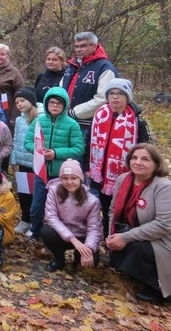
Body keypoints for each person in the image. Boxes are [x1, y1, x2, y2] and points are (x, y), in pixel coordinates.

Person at [107, 143, 171, 303]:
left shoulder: (164, 186)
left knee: (137, 249)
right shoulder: (123, 179)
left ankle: (161, 290)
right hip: (134, 232)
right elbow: (113, 210)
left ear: (156, 164)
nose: (138, 162)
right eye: (134, 158)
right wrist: (112, 236)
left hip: (161, 239)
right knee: (120, 254)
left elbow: (164, 224)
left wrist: (125, 237)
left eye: (145, 159)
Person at [88, 78, 151, 237]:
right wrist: (86, 167)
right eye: (112, 93)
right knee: (105, 209)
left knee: (122, 212)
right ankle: (108, 242)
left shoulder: (137, 122)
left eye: (120, 94)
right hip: (100, 174)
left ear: (127, 97)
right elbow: (88, 142)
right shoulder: (98, 117)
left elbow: (146, 150)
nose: (115, 97)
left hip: (126, 176)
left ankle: (122, 245)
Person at [25, 87, 85, 238]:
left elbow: (79, 148)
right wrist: (40, 151)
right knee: (37, 206)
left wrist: (56, 154)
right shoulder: (38, 121)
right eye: (52, 102)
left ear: (65, 105)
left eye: (59, 103)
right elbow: (27, 142)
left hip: (62, 176)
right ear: (46, 104)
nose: (55, 106)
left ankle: (58, 236)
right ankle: (36, 231)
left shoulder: (72, 124)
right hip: (41, 172)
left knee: (61, 208)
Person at [62, 32, 119, 166]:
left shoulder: (104, 67)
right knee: (68, 162)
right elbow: (62, 89)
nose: (78, 50)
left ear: (94, 46)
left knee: (82, 162)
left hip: (89, 125)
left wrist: (75, 112)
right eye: (76, 46)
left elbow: (104, 98)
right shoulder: (72, 65)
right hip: (67, 122)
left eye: (83, 46)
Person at [42, 159, 101, 272]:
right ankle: (59, 259)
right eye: (65, 178)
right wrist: (73, 240)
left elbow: (94, 228)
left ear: (80, 179)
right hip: (61, 234)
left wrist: (88, 248)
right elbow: (51, 217)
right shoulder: (54, 191)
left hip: (81, 235)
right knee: (46, 231)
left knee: (94, 260)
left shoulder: (92, 201)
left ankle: (78, 257)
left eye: (73, 178)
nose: (69, 182)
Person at [10, 87, 40, 236]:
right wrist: (13, 158)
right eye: (17, 102)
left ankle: (35, 222)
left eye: (22, 101)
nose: (19, 104)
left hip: (36, 164)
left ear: (31, 101)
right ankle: (25, 220)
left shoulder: (41, 118)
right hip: (22, 162)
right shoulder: (19, 120)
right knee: (24, 194)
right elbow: (16, 140)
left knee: (36, 194)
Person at [0, 44, 24, 132]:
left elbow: (21, 94)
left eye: (2, 54)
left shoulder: (13, 72)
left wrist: (14, 116)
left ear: (7, 56)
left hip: (5, 110)